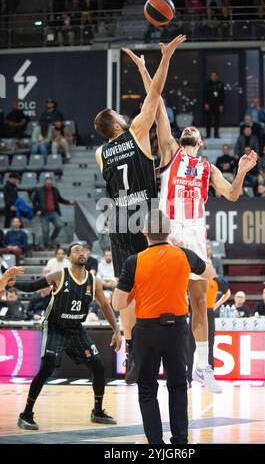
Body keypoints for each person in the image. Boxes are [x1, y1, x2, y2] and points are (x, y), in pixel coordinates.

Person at [125, 47, 257, 393]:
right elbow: (158, 104)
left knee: (200, 301)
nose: (191, 130)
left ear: (201, 142)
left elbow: (231, 195)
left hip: (196, 234)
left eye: (195, 130)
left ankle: (202, 367)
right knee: (160, 300)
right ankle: (137, 355)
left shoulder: (208, 168)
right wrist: (146, 67)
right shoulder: (170, 153)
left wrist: (242, 171)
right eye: (189, 128)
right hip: (167, 234)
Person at [94, 35, 186, 384]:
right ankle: (167, 342)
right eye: (119, 114)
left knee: (127, 289)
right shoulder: (134, 131)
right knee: (161, 281)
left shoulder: (100, 153)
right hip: (147, 218)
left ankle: (133, 352)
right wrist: (162, 60)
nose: (124, 114)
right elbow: (156, 96)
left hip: (119, 220)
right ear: (117, 125)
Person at [112, 209, 216, 444]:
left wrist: (135, 290)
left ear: (145, 231)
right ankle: (180, 441)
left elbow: (118, 302)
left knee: (147, 388)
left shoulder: (133, 261)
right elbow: (210, 273)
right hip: (177, 329)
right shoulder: (184, 255)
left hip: (147, 332)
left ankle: (156, 445)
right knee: (178, 386)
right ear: (169, 231)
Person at [15, 242, 122, 431]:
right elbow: (32, 286)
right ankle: (26, 414)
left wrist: (116, 331)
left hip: (76, 329)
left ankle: (97, 411)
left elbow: (105, 307)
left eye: (84, 250)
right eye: (76, 251)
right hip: (54, 326)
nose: (81, 253)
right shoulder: (59, 275)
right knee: (47, 366)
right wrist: (12, 282)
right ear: (69, 257)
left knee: (98, 367)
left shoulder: (93, 281)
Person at [32, 177, 74, 249]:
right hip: (43, 213)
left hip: (53, 212)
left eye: (50, 184)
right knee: (45, 230)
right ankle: (46, 245)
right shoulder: (39, 190)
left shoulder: (55, 190)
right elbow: (34, 202)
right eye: (48, 184)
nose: (49, 185)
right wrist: (36, 210)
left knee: (59, 225)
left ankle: (51, 240)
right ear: (45, 183)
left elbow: (60, 199)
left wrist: (69, 202)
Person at [203, 71, 224, 138]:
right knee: (208, 120)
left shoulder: (220, 84)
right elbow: (205, 95)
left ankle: (216, 134)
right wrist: (206, 103)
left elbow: (222, 95)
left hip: (217, 105)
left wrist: (221, 104)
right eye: (212, 76)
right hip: (209, 104)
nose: (213, 77)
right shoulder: (207, 84)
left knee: (217, 120)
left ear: (217, 76)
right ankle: (208, 134)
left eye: (214, 76)